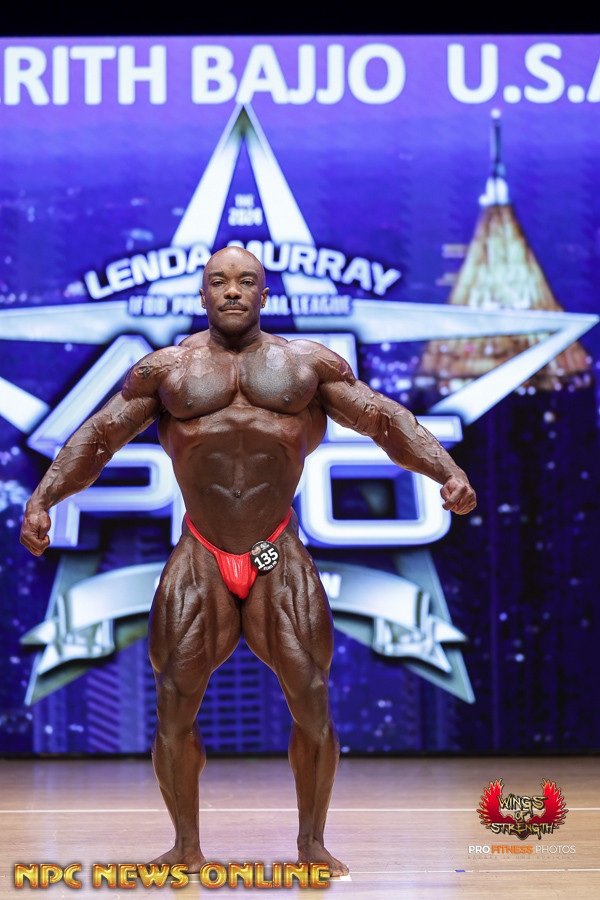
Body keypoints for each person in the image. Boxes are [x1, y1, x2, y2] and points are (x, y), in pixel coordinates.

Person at [20, 246, 476, 876]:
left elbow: (383, 420)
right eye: (219, 281)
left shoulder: (306, 367)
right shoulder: (167, 372)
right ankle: (185, 846)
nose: (232, 291)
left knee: (311, 700)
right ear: (203, 295)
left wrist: (446, 471)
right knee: (174, 702)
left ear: (265, 294)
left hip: (275, 552)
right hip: (202, 554)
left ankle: (311, 844)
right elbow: (99, 437)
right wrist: (44, 499)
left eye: (246, 281)